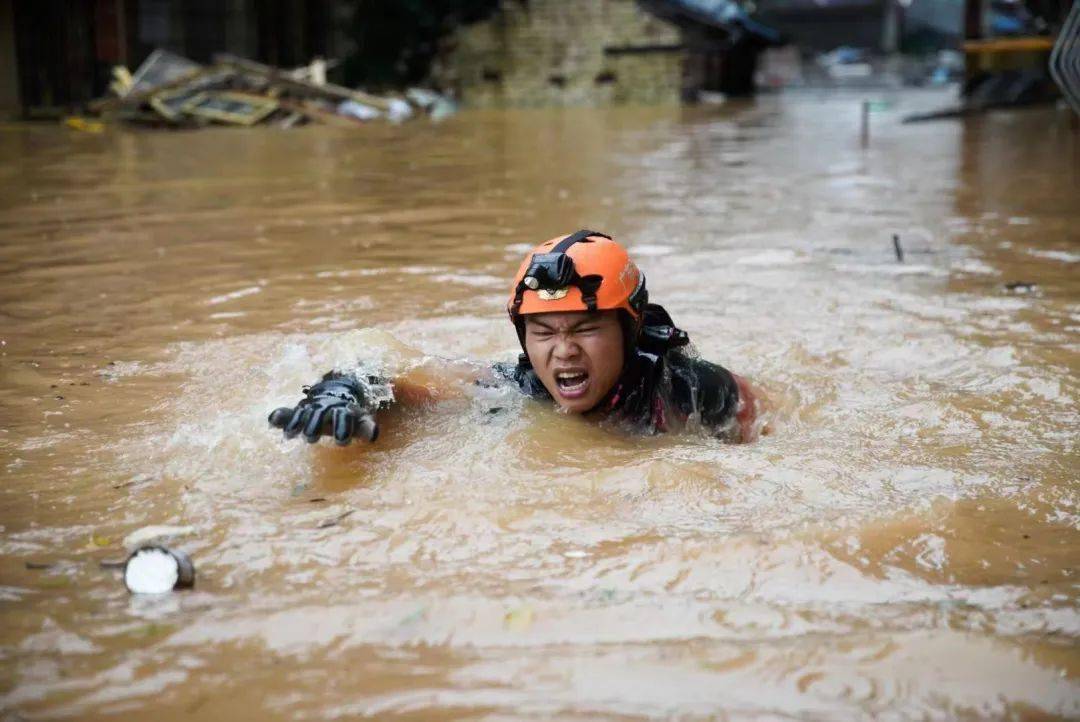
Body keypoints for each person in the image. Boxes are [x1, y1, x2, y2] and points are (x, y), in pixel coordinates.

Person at [268, 230, 766, 446]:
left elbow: (777, 427)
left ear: (630, 328)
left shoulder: (693, 391)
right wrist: (341, 391)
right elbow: (392, 373)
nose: (563, 350)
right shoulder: (517, 388)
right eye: (544, 332)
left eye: (586, 328)